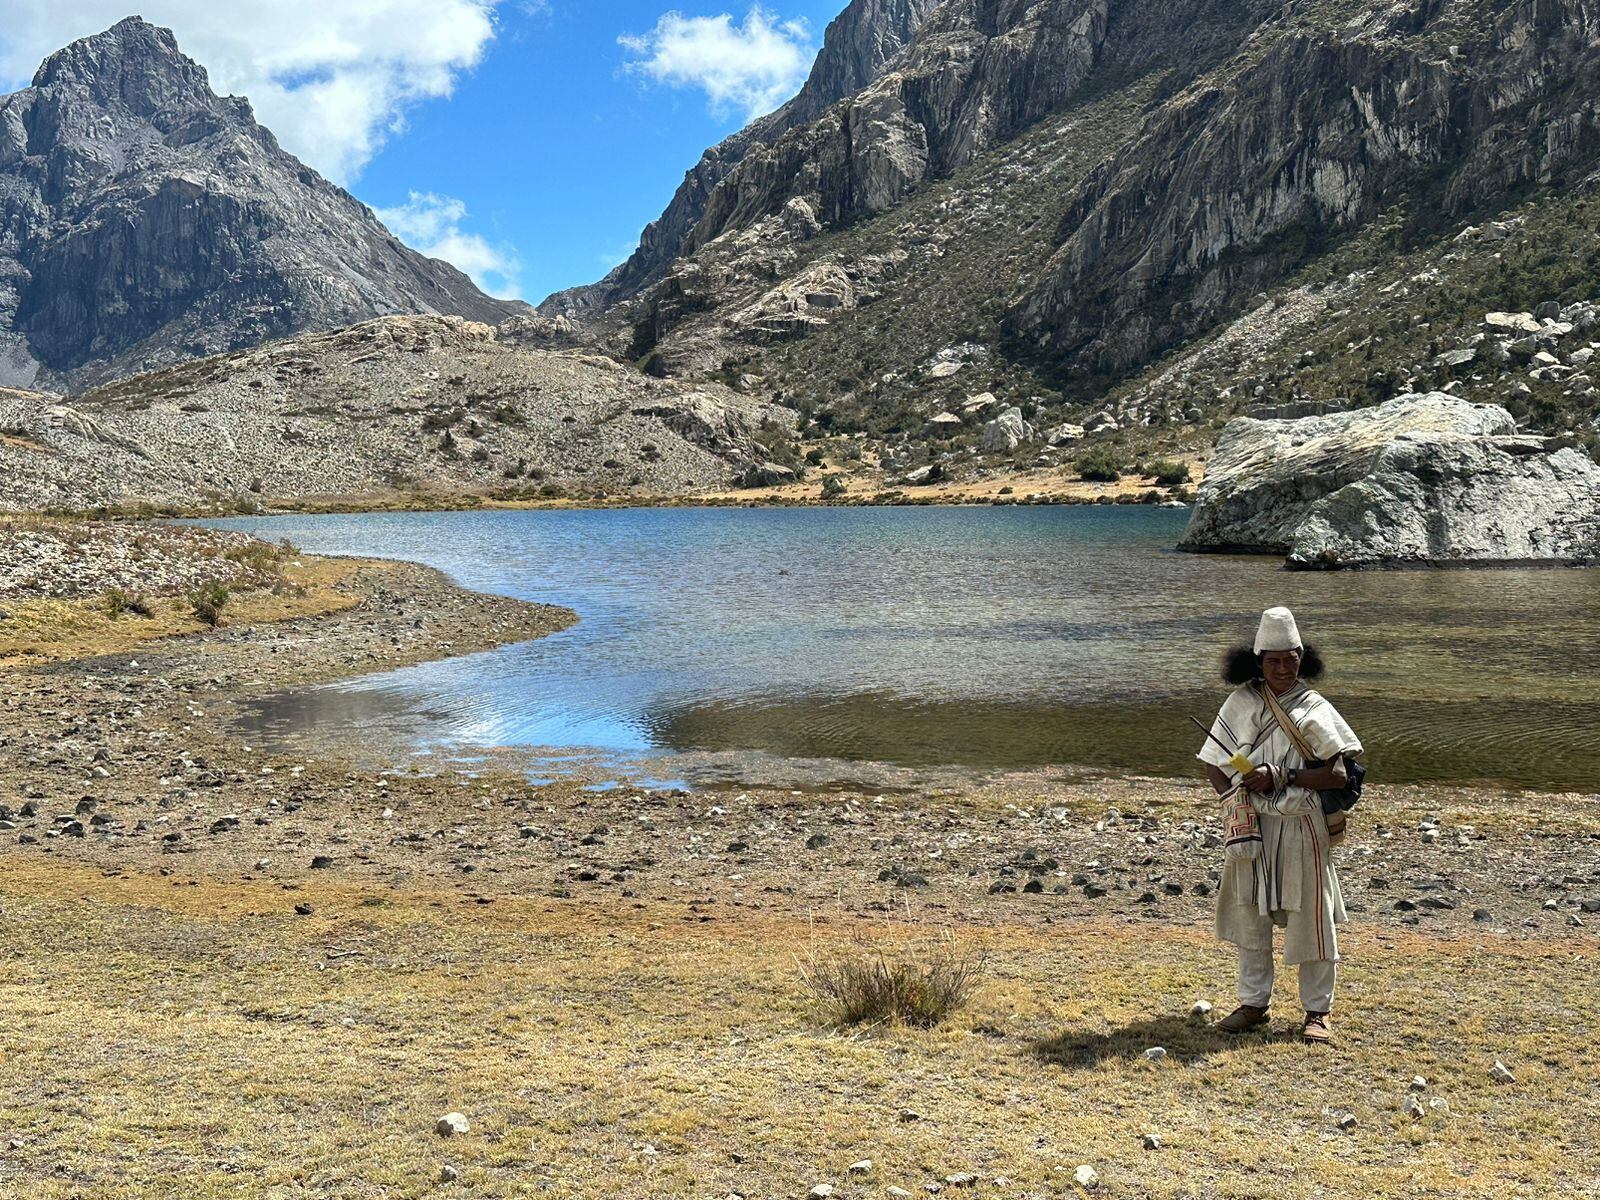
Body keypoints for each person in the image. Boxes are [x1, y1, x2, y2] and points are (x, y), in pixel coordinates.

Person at [1197, 606, 1362, 1045]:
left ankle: (1318, 1012)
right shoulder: (1240, 703)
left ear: (1302, 658)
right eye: (1274, 661)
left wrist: (1282, 776)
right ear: (1258, 662)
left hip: (1301, 823)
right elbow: (1213, 762)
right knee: (1250, 916)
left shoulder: (1314, 706)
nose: (1284, 669)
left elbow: (1337, 775)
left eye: (1291, 660)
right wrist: (1233, 804)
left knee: (1312, 918)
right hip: (1252, 826)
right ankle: (1253, 1004)